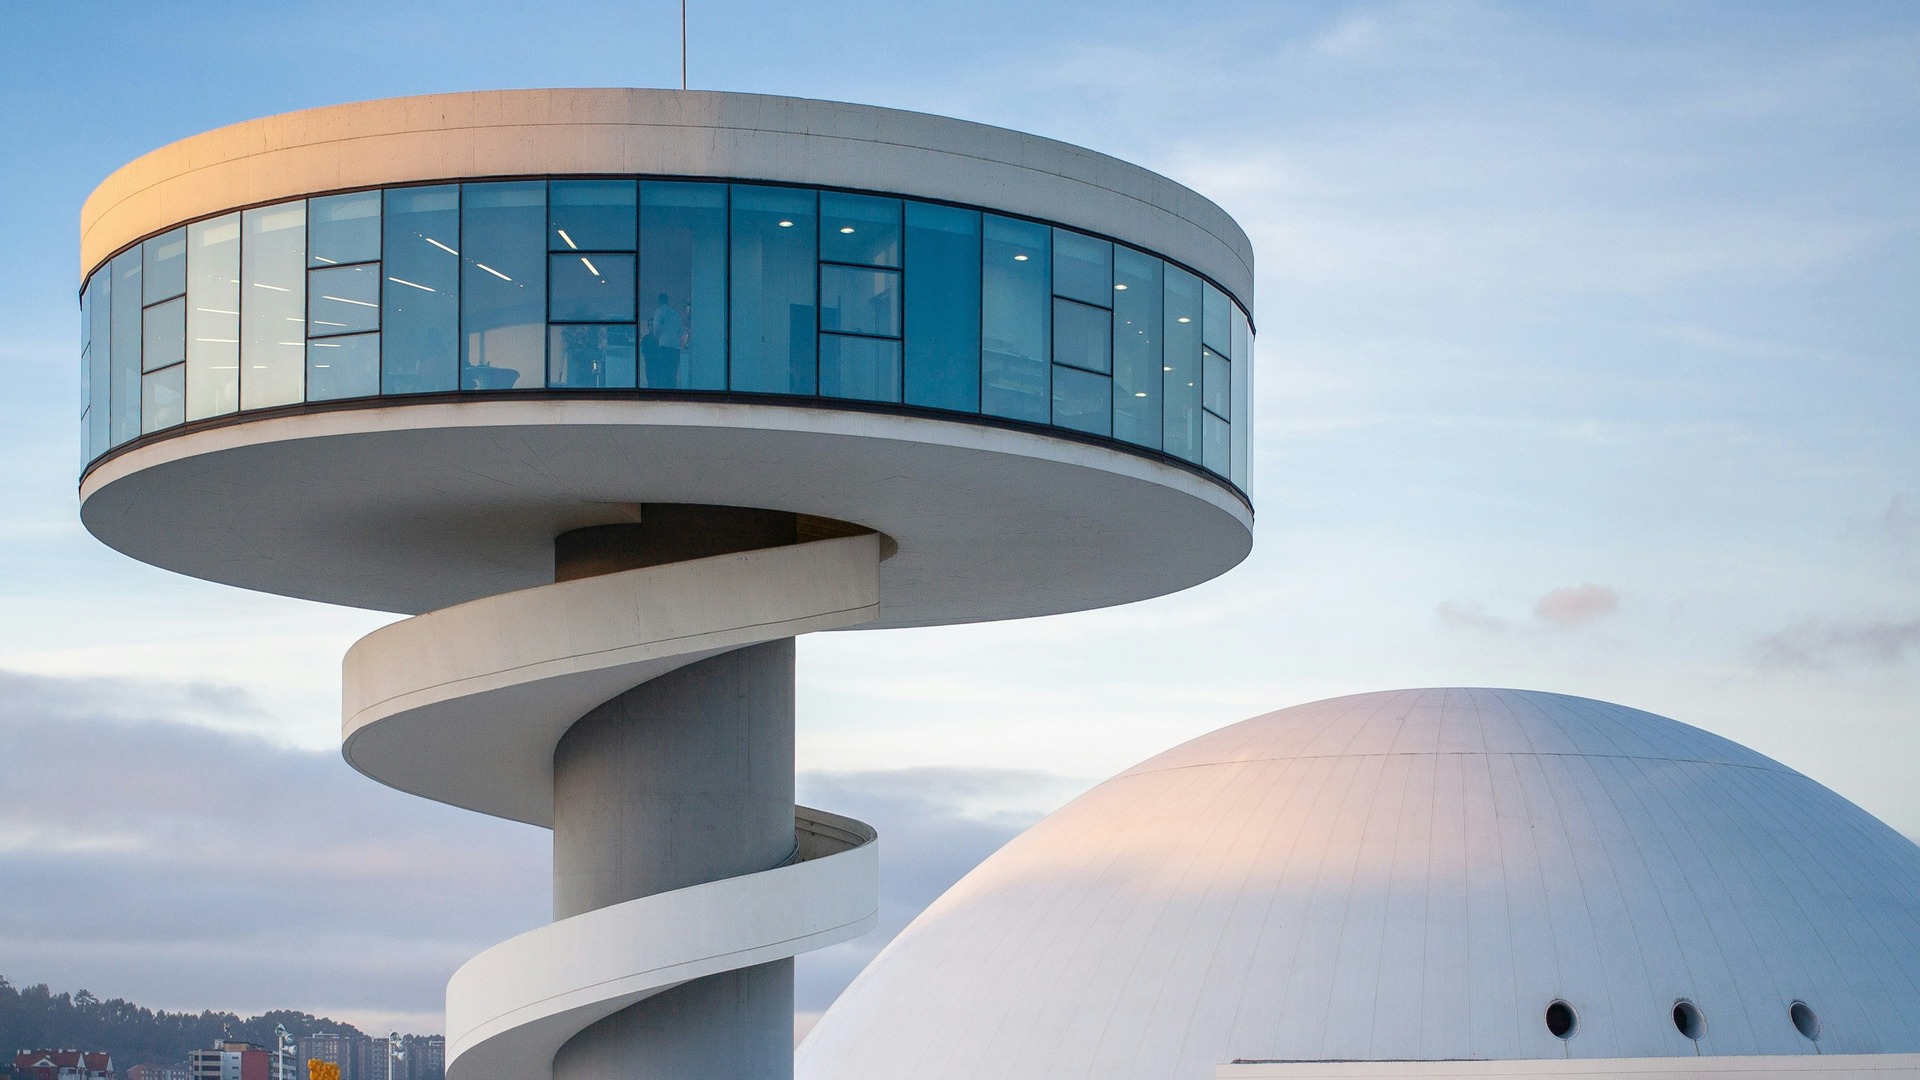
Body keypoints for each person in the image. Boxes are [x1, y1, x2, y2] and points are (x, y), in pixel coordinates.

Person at [646, 292, 683, 388]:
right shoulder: (676, 314)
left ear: (659, 302)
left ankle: (665, 392)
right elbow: (681, 332)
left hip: (664, 346)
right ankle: (672, 391)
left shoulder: (659, 312)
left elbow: (656, 329)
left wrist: (657, 338)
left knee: (664, 372)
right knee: (673, 372)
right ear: (668, 301)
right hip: (675, 347)